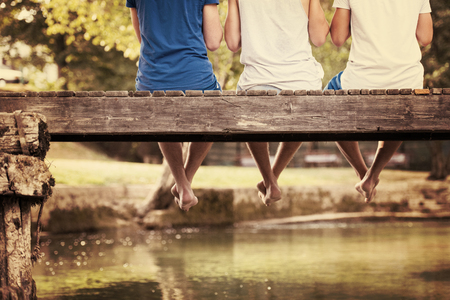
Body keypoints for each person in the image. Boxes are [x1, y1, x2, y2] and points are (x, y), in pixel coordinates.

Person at [325, 0, 433, 202]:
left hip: (361, 81)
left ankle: (361, 171)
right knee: (400, 110)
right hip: (407, 81)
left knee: (328, 99)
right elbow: (425, 38)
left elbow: (338, 38)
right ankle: (372, 175)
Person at [225, 0, 329, 206]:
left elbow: (232, 42)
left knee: (250, 109)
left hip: (257, 80)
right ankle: (272, 177)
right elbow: (318, 38)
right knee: (302, 109)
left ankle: (269, 179)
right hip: (302, 80)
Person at [127, 0, 223, 211]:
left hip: (152, 78)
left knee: (161, 113)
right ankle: (185, 181)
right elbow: (214, 41)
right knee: (216, 110)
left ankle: (182, 184)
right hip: (195, 76)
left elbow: (142, 36)